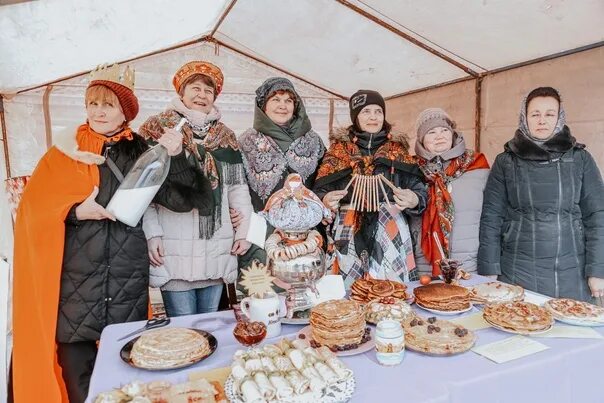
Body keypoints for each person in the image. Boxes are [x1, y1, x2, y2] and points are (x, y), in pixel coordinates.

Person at [12, 63, 199, 402]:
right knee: (78, 377)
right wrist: (73, 211)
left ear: (124, 112)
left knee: (122, 376)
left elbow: (181, 200)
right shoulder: (65, 152)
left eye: (108, 104)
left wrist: (178, 157)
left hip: (126, 278)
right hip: (76, 282)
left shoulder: (141, 149)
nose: (98, 111)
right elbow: (31, 211)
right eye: (93, 103)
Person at [139, 61, 253, 316]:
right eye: (195, 88)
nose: (202, 95)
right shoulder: (158, 129)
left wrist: (243, 231)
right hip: (173, 246)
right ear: (182, 91)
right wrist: (152, 234)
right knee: (184, 331)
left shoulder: (225, 136)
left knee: (212, 326)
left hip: (216, 247)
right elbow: (144, 191)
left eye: (208, 91)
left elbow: (237, 189)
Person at [478, 87, 604, 301]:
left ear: (559, 117)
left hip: (571, 271)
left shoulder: (580, 159)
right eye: (535, 114)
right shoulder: (506, 161)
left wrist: (597, 271)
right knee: (518, 328)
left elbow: (598, 216)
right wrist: (490, 269)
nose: (542, 120)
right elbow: (491, 217)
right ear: (524, 117)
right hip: (517, 268)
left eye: (549, 114)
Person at [313, 90, 427, 289]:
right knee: (349, 291)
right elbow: (319, 192)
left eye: (378, 111)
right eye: (366, 111)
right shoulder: (338, 151)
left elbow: (419, 189)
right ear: (356, 117)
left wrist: (414, 199)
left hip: (391, 226)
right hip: (348, 227)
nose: (373, 117)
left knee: (392, 291)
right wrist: (325, 199)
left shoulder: (398, 150)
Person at [237, 77, 325, 293]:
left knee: (303, 296)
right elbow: (236, 187)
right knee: (263, 299)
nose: (282, 105)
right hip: (260, 233)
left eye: (288, 100)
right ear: (263, 105)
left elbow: (324, 182)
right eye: (275, 99)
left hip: (304, 235)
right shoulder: (246, 141)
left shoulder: (313, 141)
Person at [410, 108, 490, 276]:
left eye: (444, 130)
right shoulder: (410, 171)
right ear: (421, 139)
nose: (440, 136)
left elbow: (492, 217)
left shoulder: (477, 166)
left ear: (453, 133)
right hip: (424, 265)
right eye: (431, 132)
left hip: (467, 264)